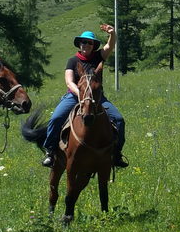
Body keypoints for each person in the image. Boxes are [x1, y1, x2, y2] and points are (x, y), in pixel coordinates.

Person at [41, 25, 128, 169]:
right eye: (83, 42)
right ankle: (50, 152)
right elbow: (69, 81)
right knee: (56, 118)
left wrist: (112, 34)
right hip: (74, 97)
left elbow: (110, 46)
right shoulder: (73, 61)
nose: (86, 45)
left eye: (89, 43)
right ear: (79, 44)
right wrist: (81, 94)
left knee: (119, 120)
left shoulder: (98, 57)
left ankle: (116, 154)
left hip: (97, 98)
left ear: (93, 45)